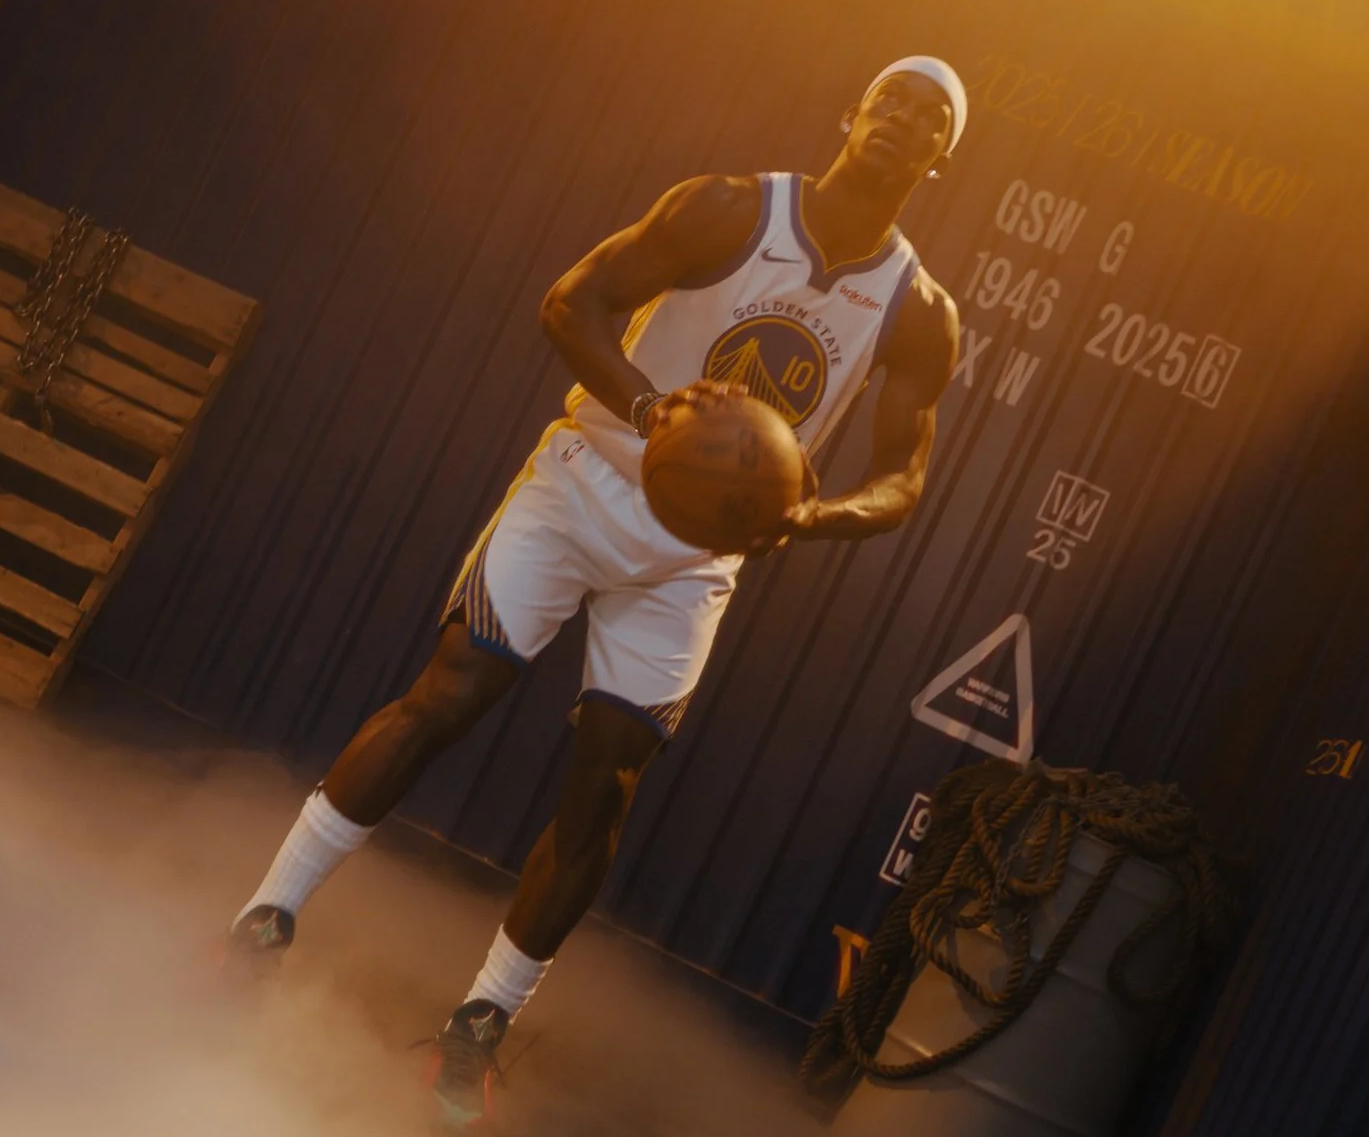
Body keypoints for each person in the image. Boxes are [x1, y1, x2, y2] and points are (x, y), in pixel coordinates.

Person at [225, 57, 967, 1129]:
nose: (903, 118)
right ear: (849, 112)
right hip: (584, 482)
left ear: (942, 157)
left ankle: (477, 1025)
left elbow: (903, 479)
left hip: (694, 558)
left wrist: (812, 514)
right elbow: (571, 301)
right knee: (450, 695)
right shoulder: (728, 208)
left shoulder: (917, 311)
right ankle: (265, 915)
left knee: (603, 786)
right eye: (890, 97)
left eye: (930, 116)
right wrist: (652, 406)